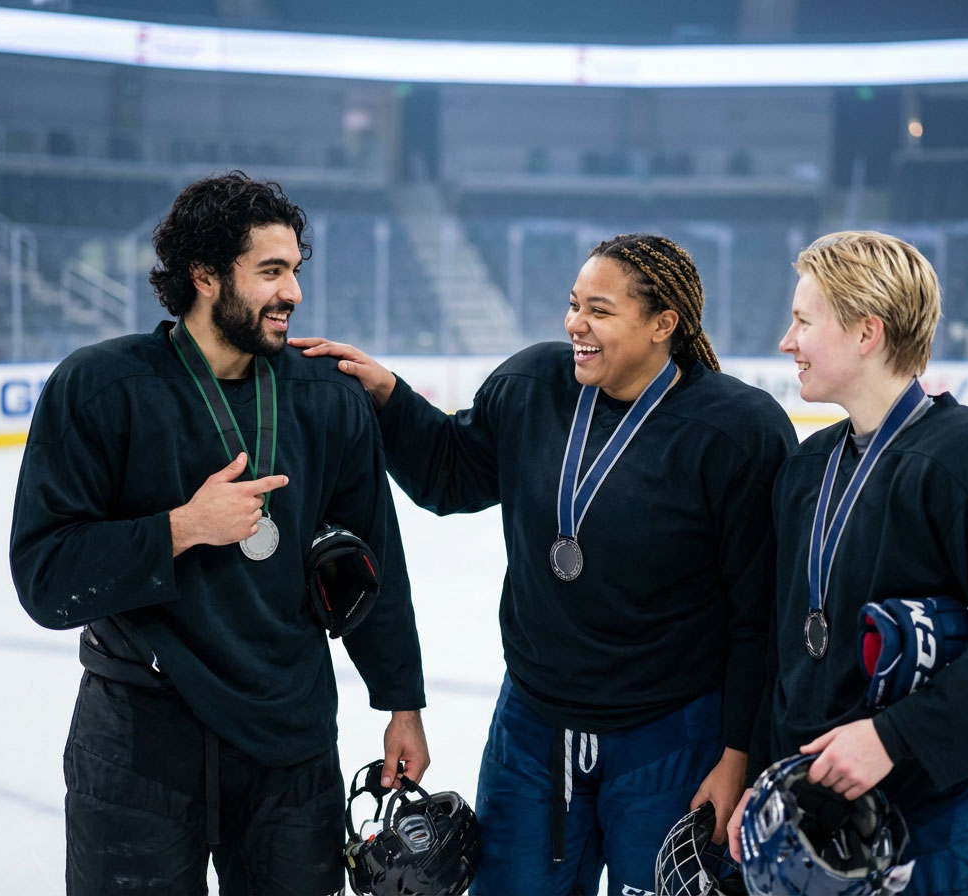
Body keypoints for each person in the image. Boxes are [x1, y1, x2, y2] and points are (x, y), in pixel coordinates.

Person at [291, 233, 797, 896]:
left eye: (600, 310)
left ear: (662, 325)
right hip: (533, 729)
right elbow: (451, 474)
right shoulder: (532, 386)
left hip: (672, 737)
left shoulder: (737, 432)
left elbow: (758, 614)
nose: (575, 325)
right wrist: (390, 396)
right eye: (573, 304)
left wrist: (738, 755)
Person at [9, 171, 429, 895]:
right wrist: (180, 528)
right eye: (270, 271)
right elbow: (46, 579)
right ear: (204, 275)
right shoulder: (101, 388)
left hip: (288, 743)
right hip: (140, 738)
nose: (293, 292)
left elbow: (370, 566)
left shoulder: (327, 398)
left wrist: (402, 704)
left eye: (295, 270)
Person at [727, 230, 968, 895]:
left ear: (866, 333)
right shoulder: (807, 470)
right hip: (831, 829)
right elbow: (788, 656)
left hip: (959, 821)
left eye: (804, 321)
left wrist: (895, 737)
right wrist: (763, 779)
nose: (787, 342)